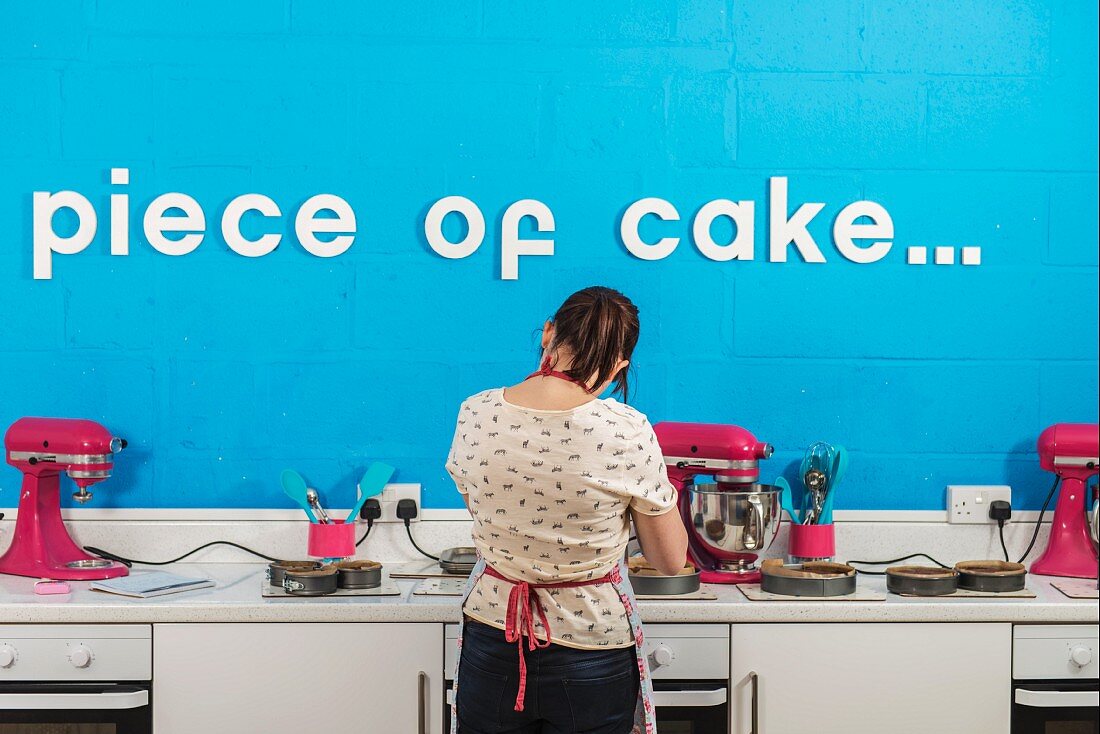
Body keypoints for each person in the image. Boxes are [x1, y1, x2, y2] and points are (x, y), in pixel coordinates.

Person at [446, 286, 688, 734]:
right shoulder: (627, 430)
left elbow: (492, 513)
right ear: (619, 366)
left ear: (549, 334)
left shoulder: (476, 413)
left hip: (494, 635)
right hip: (593, 647)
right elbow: (670, 561)